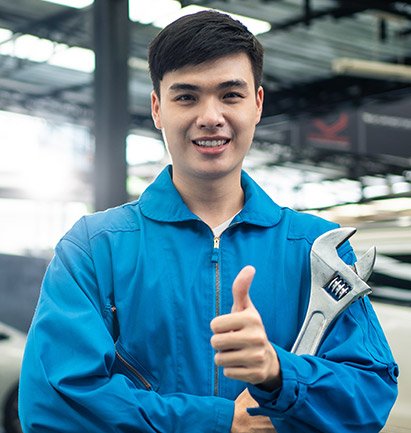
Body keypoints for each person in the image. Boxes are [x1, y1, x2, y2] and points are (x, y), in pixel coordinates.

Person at [19, 10, 398, 433]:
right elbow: (54, 405)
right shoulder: (94, 248)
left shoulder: (315, 248)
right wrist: (219, 421)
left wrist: (278, 373)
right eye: (187, 97)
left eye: (230, 95)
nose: (210, 116)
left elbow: (369, 395)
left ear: (257, 104)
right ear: (157, 109)